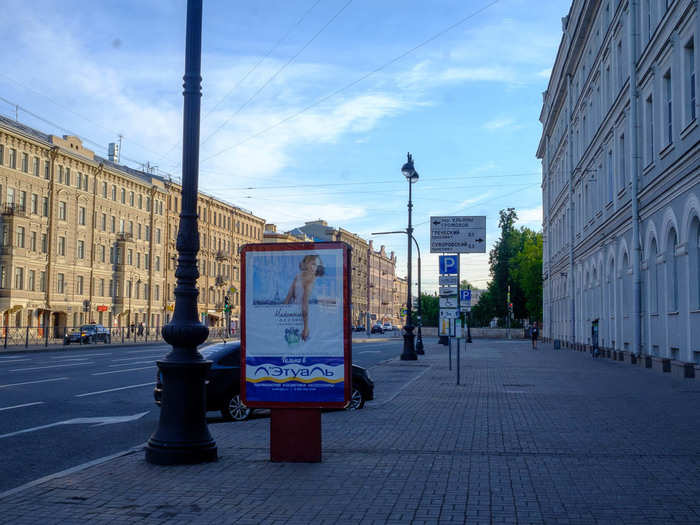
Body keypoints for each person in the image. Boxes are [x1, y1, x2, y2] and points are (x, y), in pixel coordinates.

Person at [283, 254, 324, 341]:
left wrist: (283, 314)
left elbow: (288, 298)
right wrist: (306, 328)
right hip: (308, 317)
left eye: (317, 265)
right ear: (306, 264)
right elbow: (304, 304)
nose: (315, 267)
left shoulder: (298, 277)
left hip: (295, 315)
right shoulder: (310, 280)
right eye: (313, 264)